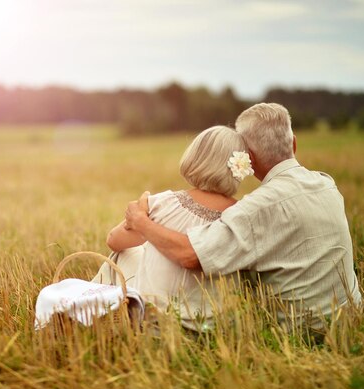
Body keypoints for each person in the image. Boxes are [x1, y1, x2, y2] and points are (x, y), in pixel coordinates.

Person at [124, 103, 361, 331]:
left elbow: (189, 254)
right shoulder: (327, 184)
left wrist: (141, 222)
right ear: (294, 144)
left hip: (300, 331)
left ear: (249, 158)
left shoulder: (258, 207)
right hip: (351, 319)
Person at [97, 125, 253, 331]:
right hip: (210, 325)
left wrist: (138, 216)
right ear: (239, 169)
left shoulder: (162, 203)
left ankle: (97, 312)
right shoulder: (243, 214)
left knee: (123, 254)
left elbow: (113, 241)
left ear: (196, 159)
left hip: (155, 320)